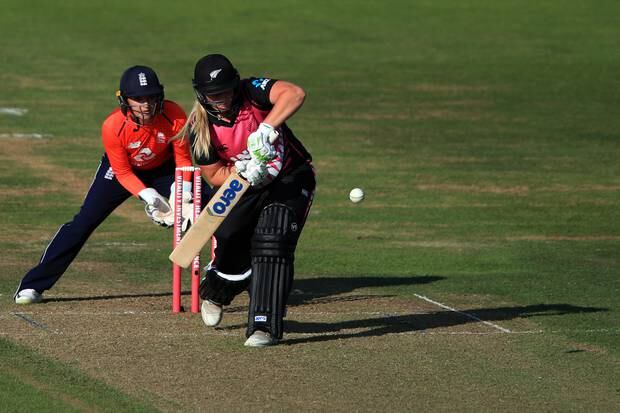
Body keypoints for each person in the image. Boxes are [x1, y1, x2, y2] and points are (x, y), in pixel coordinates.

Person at [14, 65, 198, 304]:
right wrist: (149, 196)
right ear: (124, 100)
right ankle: (32, 286)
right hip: (121, 171)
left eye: (151, 97)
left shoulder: (174, 114)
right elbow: (122, 171)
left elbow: (183, 159)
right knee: (82, 223)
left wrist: (181, 191)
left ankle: (226, 279)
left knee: (207, 209)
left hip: (164, 168)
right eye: (138, 99)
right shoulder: (113, 126)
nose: (146, 105)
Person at [177, 54, 315, 347]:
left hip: (290, 176)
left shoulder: (252, 90)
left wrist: (267, 128)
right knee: (230, 239)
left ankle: (263, 325)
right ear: (201, 94)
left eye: (226, 90)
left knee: (272, 238)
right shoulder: (199, 128)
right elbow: (214, 175)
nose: (222, 99)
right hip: (242, 184)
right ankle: (217, 291)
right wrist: (241, 170)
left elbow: (295, 93)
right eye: (214, 95)